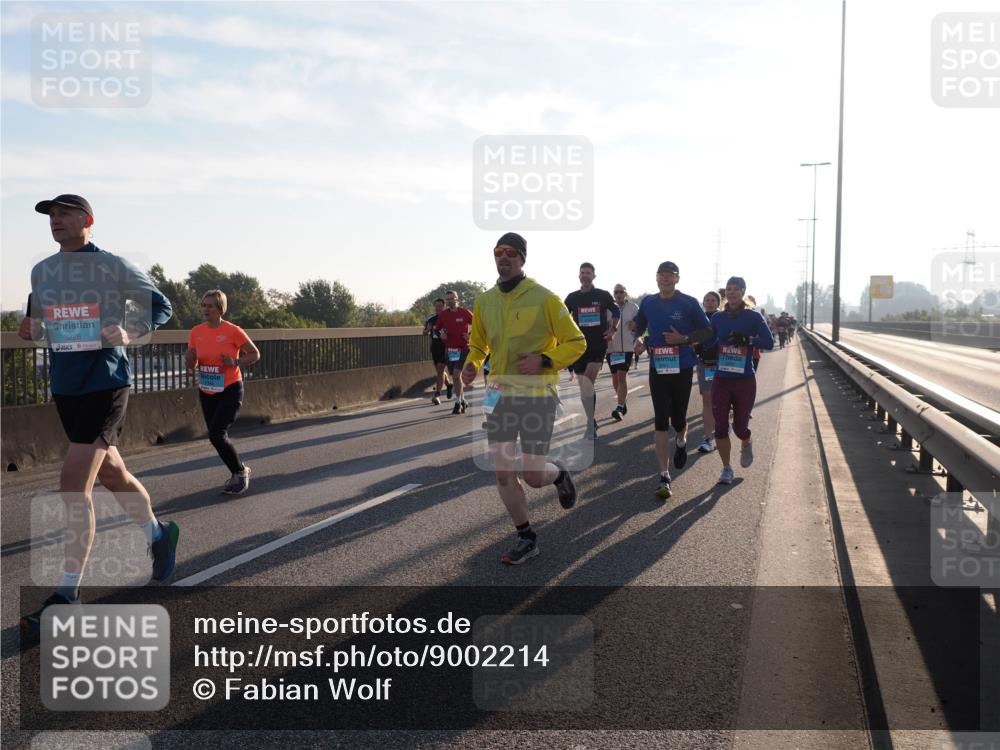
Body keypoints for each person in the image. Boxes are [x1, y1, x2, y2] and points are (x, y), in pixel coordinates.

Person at [18, 194, 178, 632]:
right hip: (66, 386)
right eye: (51, 217)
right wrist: (32, 331)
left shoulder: (113, 265)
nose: (56, 222)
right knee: (112, 474)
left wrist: (129, 330)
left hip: (106, 383)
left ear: (87, 220)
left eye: (65, 215)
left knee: (73, 484)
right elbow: (42, 325)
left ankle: (68, 592)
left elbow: (160, 307)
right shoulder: (42, 270)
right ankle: (159, 535)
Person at [461, 232, 586, 565]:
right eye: (498, 252)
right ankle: (526, 538)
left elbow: (577, 342)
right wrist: (471, 364)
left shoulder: (545, 298)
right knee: (502, 472)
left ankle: (557, 474)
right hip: (499, 394)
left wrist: (544, 360)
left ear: (522, 258)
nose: (504, 257)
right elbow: (478, 345)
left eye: (511, 253)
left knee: (532, 476)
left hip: (536, 395)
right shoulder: (485, 301)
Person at [631, 261, 713, 500]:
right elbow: (640, 325)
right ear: (656, 278)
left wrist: (683, 338)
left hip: (683, 366)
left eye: (670, 276)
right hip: (658, 367)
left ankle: (681, 439)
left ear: (677, 279)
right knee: (660, 420)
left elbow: (707, 331)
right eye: (661, 276)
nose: (665, 279)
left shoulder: (688, 303)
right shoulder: (648, 302)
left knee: (678, 419)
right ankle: (664, 475)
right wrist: (636, 336)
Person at [185, 290, 261, 494]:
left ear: (220, 309)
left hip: (230, 388)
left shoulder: (233, 331)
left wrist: (235, 362)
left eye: (210, 306)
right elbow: (192, 365)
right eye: (203, 305)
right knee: (215, 436)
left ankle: (240, 473)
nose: (205, 309)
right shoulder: (196, 331)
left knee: (217, 434)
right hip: (207, 389)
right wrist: (189, 358)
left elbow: (255, 354)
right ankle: (239, 470)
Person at [710, 276, 775, 485]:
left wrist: (747, 340)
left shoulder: (753, 317)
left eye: (736, 289)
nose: (731, 292)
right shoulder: (718, 318)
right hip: (721, 378)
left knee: (739, 428)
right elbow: (708, 341)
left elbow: (769, 342)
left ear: (743, 292)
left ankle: (746, 440)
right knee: (720, 426)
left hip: (744, 380)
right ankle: (726, 468)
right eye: (728, 289)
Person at [564, 263, 620, 439]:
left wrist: (613, 330)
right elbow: (562, 318)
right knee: (584, 389)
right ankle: (591, 420)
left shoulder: (602, 295)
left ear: (594, 276)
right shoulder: (571, 298)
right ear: (579, 276)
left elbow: (616, 310)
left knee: (588, 382)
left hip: (597, 345)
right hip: (578, 346)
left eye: (588, 272)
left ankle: (590, 425)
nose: (585, 275)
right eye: (582, 273)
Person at [435, 290, 474, 414]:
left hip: (463, 348)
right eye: (448, 299)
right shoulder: (443, 315)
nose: (450, 301)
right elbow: (438, 329)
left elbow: (479, 325)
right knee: (456, 378)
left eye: (452, 298)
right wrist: (442, 335)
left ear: (457, 299)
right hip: (450, 350)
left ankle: (457, 403)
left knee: (457, 375)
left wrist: (470, 336)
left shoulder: (465, 313)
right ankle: (462, 400)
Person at [693, 290, 721, 453]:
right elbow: (692, 340)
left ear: (718, 303)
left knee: (723, 400)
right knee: (707, 401)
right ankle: (708, 439)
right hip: (704, 364)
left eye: (713, 300)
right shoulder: (698, 320)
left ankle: (726, 422)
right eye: (707, 300)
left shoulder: (723, 318)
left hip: (723, 364)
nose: (709, 303)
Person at [606, 284, 639, 421]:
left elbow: (640, 325)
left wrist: (635, 326)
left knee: (621, 377)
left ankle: (619, 406)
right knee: (614, 379)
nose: (618, 294)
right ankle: (622, 403)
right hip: (611, 348)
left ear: (626, 294)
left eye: (621, 292)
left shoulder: (633, 307)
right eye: (616, 292)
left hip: (627, 347)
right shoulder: (608, 309)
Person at [422, 297, 452, 404]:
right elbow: (424, 333)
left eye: (440, 306)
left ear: (444, 306)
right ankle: (449, 385)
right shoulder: (431, 318)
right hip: (435, 347)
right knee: (440, 371)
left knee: (440, 370)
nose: (438, 308)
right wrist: (428, 329)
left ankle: (437, 394)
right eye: (437, 306)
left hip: (445, 346)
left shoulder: (449, 317)